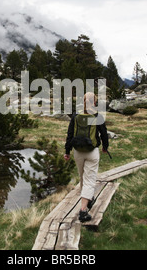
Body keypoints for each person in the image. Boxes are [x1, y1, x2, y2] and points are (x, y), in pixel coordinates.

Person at [64, 92, 109, 223]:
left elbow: (70, 134)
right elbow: (104, 134)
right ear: (94, 102)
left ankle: (87, 198)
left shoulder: (76, 115)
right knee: (89, 180)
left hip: (77, 151)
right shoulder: (97, 115)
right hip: (92, 152)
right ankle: (83, 211)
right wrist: (105, 147)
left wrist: (67, 150)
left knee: (83, 178)